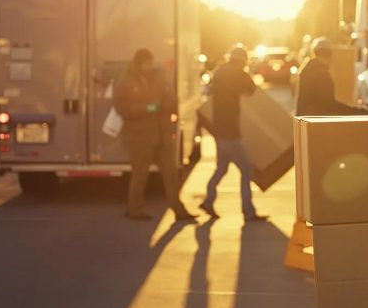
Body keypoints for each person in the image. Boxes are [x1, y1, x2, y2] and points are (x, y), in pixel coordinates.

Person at [114, 48, 197, 222]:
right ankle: (134, 210)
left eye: (151, 63)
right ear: (138, 64)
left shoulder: (160, 75)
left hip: (162, 134)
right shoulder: (125, 81)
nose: (149, 66)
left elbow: (170, 97)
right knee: (140, 176)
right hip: (139, 137)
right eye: (146, 64)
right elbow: (122, 108)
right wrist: (147, 108)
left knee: (171, 175)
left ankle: (179, 210)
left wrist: (167, 104)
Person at [200, 45, 268, 222]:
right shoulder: (239, 73)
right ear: (242, 61)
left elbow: (209, 90)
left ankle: (208, 201)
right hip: (231, 131)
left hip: (219, 129)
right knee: (247, 170)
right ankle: (248, 211)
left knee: (221, 168)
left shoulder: (219, 72)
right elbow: (252, 89)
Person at [295, 37, 368, 116]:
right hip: (316, 120)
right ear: (330, 54)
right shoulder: (321, 73)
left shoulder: (307, 69)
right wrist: (355, 111)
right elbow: (328, 104)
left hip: (305, 118)